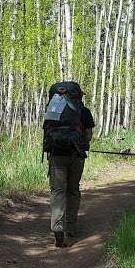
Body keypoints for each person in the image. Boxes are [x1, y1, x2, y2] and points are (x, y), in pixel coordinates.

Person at [45, 83, 94, 248]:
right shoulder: (84, 111)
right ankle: (70, 228)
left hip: (56, 155)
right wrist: (81, 142)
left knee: (57, 191)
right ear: (79, 96)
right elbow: (88, 135)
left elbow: (47, 132)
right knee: (72, 190)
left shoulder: (53, 110)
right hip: (76, 156)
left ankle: (57, 227)